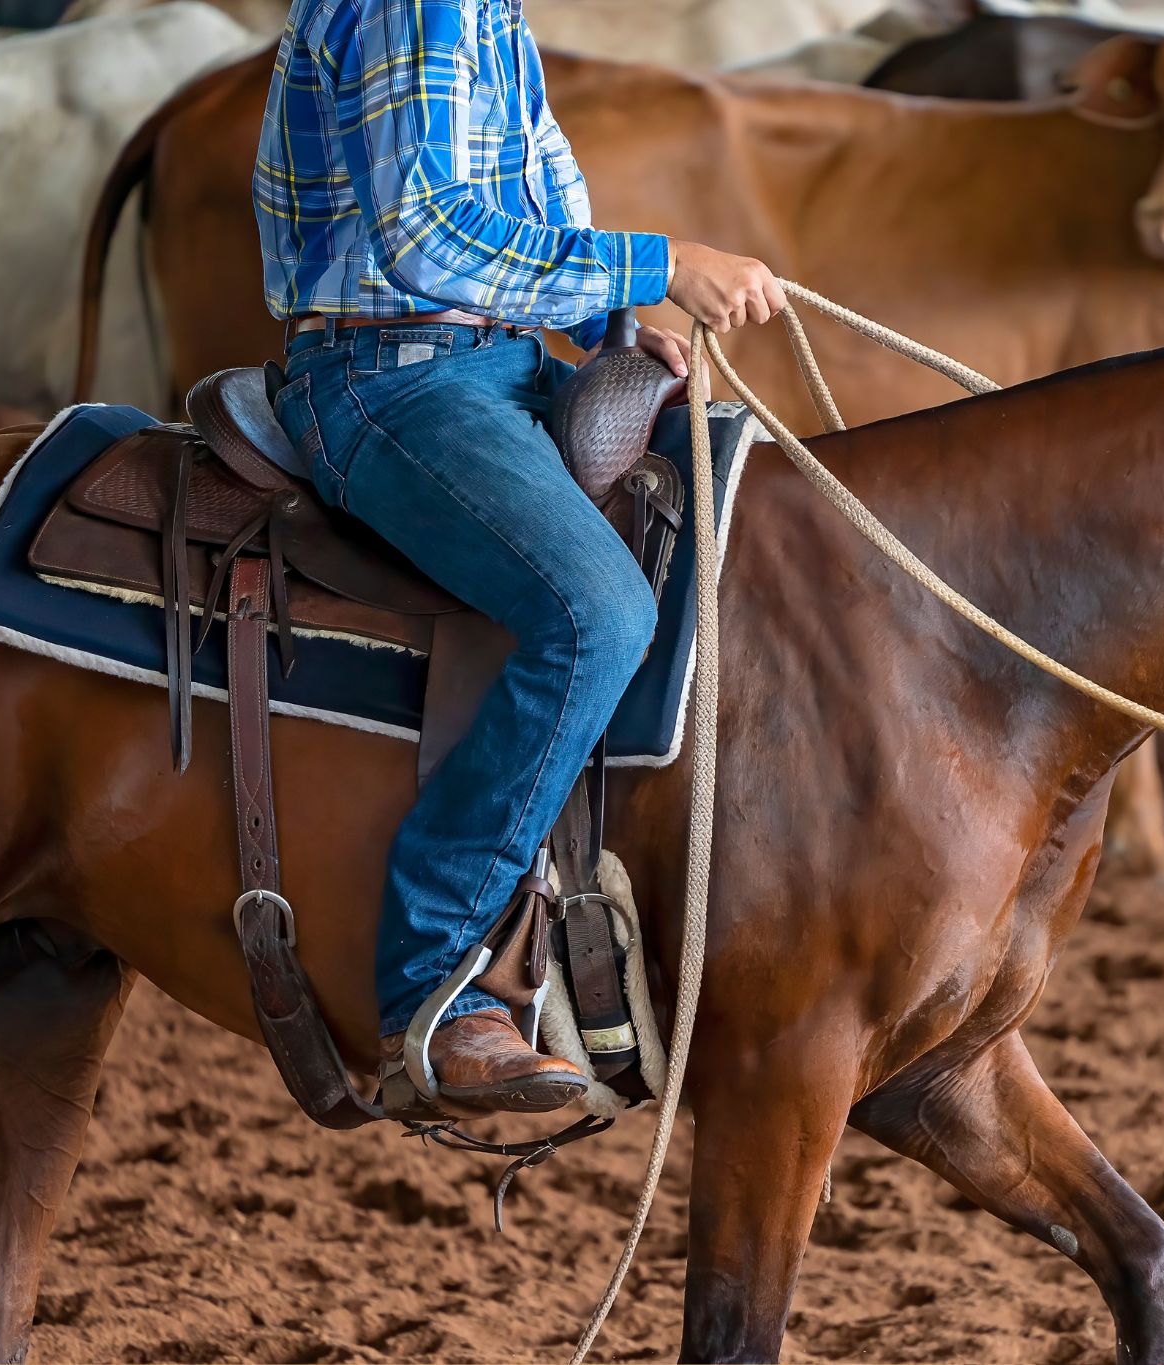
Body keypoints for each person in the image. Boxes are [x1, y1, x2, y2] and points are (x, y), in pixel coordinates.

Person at [253, 0, 783, 1114]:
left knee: (737, 508)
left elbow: (531, 199)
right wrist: (660, 259)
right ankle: (437, 989)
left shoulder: (487, 11)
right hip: (391, 375)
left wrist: (612, 314)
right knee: (596, 611)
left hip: (488, 359)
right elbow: (428, 234)